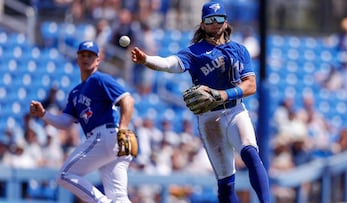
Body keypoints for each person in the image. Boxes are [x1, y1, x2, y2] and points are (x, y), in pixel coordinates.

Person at [131, 2, 270, 202]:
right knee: (226, 183)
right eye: (209, 20)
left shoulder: (239, 50)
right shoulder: (194, 52)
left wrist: (223, 95)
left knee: (250, 152)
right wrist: (147, 60)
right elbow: (171, 64)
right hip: (209, 118)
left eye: (219, 19)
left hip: (235, 111)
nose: (215, 23)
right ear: (202, 24)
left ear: (226, 22)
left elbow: (251, 86)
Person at [29, 40, 135, 203]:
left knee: (64, 175)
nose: (86, 58)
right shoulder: (75, 92)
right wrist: (44, 115)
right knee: (119, 197)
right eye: (83, 55)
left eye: (91, 55)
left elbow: (127, 99)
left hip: (106, 135)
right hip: (108, 142)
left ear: (98, 60)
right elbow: (65, 122)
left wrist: (123, 128)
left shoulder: (100, 80)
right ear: (77, 58)